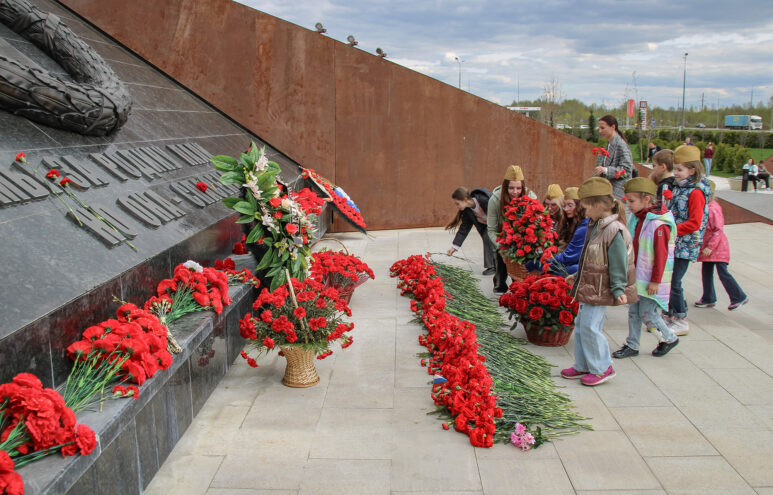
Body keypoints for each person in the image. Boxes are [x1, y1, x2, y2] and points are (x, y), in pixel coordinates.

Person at [561, 177, 637, 386]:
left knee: (591, 327)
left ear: (597, 205)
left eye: (585, 208)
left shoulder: (614, 230)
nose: (583, 213)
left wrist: (618, 287)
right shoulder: (595, 225)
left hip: (601, 288)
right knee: (582, 324)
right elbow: (591, 257)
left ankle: (603, 367)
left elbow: (618, 263)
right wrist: (578, 276)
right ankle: (584, 364)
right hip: (590, 285)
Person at [612, 178, 679, 359]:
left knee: (647, 312)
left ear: (647, 199)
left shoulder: (658, 225)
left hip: (650, 279)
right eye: (627, 200)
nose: (629, 205)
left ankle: (669, 337)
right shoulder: (638, 218)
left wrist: (655, 281)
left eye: (632, 201)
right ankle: (632, 344)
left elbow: (661, 255)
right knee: (634, 311)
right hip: (638, 276)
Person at [664, 145, 712, 336]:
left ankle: (681, 317)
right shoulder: (681, 187)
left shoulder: (696, 192)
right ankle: (669, 314)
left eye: (679, 169)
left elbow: (694, 223)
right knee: (668, 279)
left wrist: (671, 231)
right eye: (675, 168)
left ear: (692, 170)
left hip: (685, 244)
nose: (675, 173)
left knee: (675, 281)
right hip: (675, 242)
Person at [694, 180, 749, 311]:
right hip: (709, 248)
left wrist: (710, 247)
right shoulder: (705, 208)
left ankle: (738, 296)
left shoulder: (712, 209)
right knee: (706, 272)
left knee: (723, 272)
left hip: (717, 249)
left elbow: (718, 230)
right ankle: (708, 297)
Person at [487, 165, 537, 293]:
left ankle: (518, 284)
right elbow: (491, 229)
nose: (515, 192)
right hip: (503, 236)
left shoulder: (531, 198)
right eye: (511, 188)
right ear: (505, 187)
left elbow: (538, 223)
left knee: (520, 265)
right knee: (501, 257)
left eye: (519, 188)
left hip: (523, 237)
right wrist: (502, 248)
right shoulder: (495, 200)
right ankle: (499, 280)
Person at [445, 187, 496, 275]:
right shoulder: (467, 211)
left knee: (488, 236)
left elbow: (497, 213)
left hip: (498, 224)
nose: (457, 206)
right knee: (487, 238)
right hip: (487, 227)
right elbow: (464, 229)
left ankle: (495, 265)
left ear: (465, 200)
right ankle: (493, 266)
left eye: (457, 203)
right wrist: (454, 247)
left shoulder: (484, 200)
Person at [550, 187, 588, 275]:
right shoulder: (568, 224)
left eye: (570, 205)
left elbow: (569, 257)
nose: (566, 209)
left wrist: (539, 263)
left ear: (579, 206)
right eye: (564, 206)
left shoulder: (584, 227)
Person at [594, 114, 633, 199]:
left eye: (603, 128)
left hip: (619, 193)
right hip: (609, 191)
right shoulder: (610, 144)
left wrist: (606, 170)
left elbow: (627, 169)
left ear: (613, 127)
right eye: (599, 128)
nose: (600, 131)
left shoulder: (620, 144)